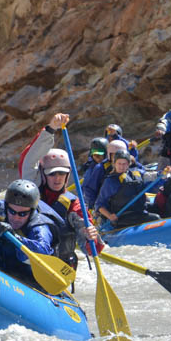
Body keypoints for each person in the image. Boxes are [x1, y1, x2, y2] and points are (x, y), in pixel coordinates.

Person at [16, 113, 103, 268]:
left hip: (57, 269)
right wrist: (50, 129)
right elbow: (28, 159)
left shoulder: (74, 205)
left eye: (62, 174)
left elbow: (91, 248)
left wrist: (92, 238)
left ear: (68, 175)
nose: (57, 178)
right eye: (52, 174)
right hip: (26, 261)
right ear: (43, 174)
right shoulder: (30, 190)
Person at [95, 150, 161, 228]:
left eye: (124, 164)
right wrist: (109, 216)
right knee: (156, 218)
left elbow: (151, 176)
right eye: (119, 163)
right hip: (123, 216)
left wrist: (163, 174)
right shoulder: (110, 182)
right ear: (114, 164)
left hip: (139, 211)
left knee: (158, 208)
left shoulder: (136, 173)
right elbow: (99, 204)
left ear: (129, 164)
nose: (122, 166)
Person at [82, 139, 127, 209]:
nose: (97, 157)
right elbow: (89, 189)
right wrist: (94, 207)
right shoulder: (100, 168)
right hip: (105, 206)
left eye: (100, 155)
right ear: (109, 154)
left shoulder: (129, 164)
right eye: (95, 154)